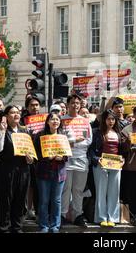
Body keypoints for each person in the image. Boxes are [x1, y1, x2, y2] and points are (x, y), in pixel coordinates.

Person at [0, 105, 34, 233]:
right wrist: (3, 132)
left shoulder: (24, 131)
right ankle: (3, 229)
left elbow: (30, 150)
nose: (16, 115)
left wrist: (30, 158)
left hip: (23, 169)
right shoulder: (0, 130)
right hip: (7, 169)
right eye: (12, 112)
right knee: (5, 201)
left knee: (20, 200)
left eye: (18, 112)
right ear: (6, 116)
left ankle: (17, 227)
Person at [61, 94, 93, 227]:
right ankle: (63, 215)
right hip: (66, 159)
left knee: (78, 190)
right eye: (73, 103)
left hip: (81, 159)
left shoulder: (85, 122)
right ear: (67, 104)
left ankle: (78, 215)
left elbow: (88, 141)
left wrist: (72, 143)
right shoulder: (62, 120)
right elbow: (60, 140)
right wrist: (74, 141)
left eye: (77, 103)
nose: (75, 105)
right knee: (66, 189)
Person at [33, 112, 68, 232]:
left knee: (57, 201)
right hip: (43, 172)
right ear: (47, 122)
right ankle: (43, 225)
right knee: (44, 200)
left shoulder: (63, 136)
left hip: (59, 173)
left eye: (57, 119)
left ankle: (55, 226)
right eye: (52, 119)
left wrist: (62, 158)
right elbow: (35, 154)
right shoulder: (40, 135)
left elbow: (67, 155)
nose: (55, 121)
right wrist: (46, 157)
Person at [89, 110, 123, 227]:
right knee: (101, 192)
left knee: (114, 192)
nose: (111, 121)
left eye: (113, 119)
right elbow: (91, 149)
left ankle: (113, 218)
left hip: (116, 165)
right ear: (104, 120)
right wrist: (96, 159)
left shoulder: (118, 133)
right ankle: (101, 218)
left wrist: (123, 159)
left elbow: (122, 150)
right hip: (101, 165)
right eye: (108, 119)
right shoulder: (97, 132)